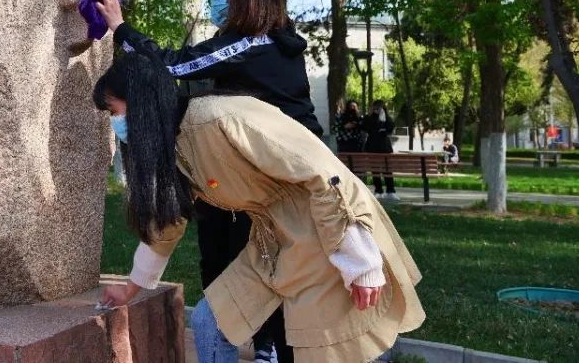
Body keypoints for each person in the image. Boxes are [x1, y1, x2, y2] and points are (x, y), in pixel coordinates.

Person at [93, 54, 425, 363]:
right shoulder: (178, 144)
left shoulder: (220, 119)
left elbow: (324, 173)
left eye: (114, 111)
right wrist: (131, 287)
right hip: (273, 246)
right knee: (211, 321)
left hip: (325, 243)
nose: (116, 123)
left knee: (327, 349)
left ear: (142, 102)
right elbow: (168, 224)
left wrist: (362, 263)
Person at [96, 0, 319, 363]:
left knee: (246, 299)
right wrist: (132, 287)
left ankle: (270, 347)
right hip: (238, 182)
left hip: (276, 191)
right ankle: (266, 345)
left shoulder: (255, 43)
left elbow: (173, 67)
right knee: (217, 295)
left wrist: (121, 30)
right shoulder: (242, 45)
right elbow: (170, 220)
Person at [362, 100, 397, 199]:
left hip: (384, 147)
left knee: (387, 170)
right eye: (375, 108)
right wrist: (374, 117)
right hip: (373, 147)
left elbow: (390, 128)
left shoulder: (386, 117)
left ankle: (390, 190)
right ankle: (378, 190)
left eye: (379, 108)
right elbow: (365, 127)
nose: (377, 110)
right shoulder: (369, 118)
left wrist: (383, 118)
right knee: (375, 170)